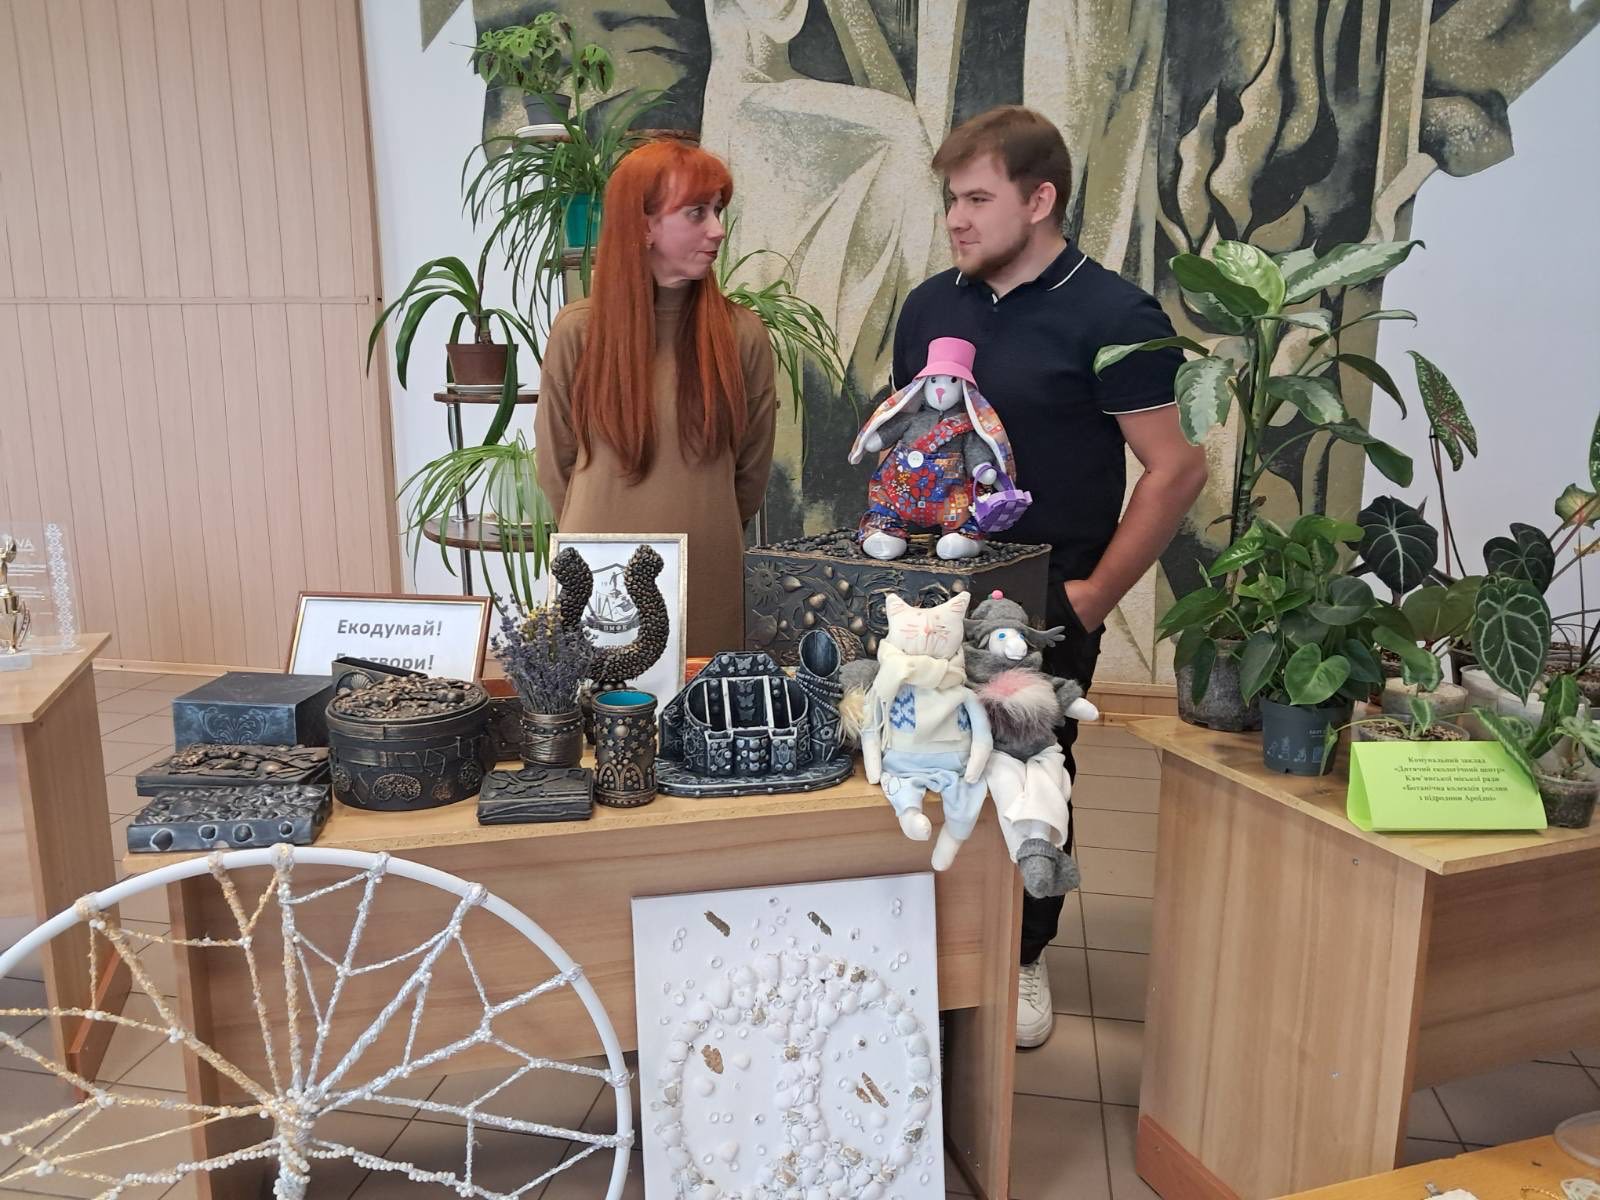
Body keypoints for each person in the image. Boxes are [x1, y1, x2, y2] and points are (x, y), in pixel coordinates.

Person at [889, 106, 1207, 1047]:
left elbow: (1176, 469)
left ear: (1040, 200)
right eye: (951, 199)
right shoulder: (929, 307)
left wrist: (1093, 598)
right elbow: (914, 441)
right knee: (922, 768)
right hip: (932, 592)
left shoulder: (1117, 316)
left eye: (977, 199)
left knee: (1032, 780)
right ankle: (929, 954)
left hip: (1043, 604)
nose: (956, 218)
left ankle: (1024, 957)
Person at [535, 139, 778, 657]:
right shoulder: (579, 331)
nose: (717, 229)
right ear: (643, 225)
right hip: (598, 572)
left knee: (703, 697)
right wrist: (595, 545)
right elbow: (556, 463)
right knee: (599, 703)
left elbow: (751, 470)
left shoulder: (741, 335)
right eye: (696, 212)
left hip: (707, 571)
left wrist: (703, 524)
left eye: (717, 211)